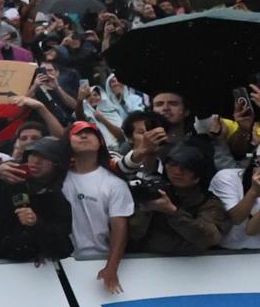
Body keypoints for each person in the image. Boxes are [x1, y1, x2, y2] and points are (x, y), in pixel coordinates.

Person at [62, 121, 132, 294]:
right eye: (77, 133)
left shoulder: (114, 184)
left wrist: (111, 267)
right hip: (63, 263)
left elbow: (120, 228)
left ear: (100, 141)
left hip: (100, 260)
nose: (84, 136)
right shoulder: (57, 180)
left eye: (90, 133)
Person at [126, 143, 226, 255]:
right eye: (173, 165)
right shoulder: (154, 192)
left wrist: (173, 212)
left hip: (192, 260)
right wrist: (145, 210)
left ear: (198, 173)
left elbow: (209, 238)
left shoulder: (208, 202)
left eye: (186, 168)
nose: (178, 172)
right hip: (146, 259)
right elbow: (130, 234)